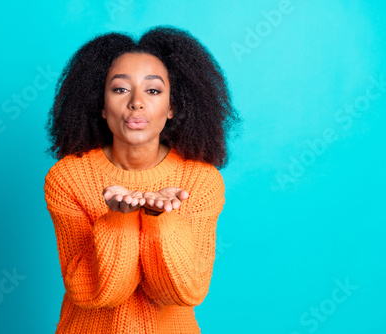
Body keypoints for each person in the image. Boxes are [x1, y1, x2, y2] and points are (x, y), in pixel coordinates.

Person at [44, 25, 239, 334]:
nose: (136, 102)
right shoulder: (68, 178)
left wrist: (159, 218)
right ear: (102, 106)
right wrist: (118, 219)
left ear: (173, 106)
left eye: (153, 90)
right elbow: (93, 294)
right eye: (120, 89)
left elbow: (184, 293)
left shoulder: (201, 180)